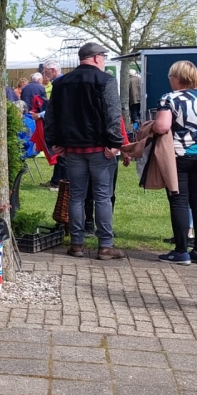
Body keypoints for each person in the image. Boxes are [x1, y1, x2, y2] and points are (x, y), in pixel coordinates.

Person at [46, 42, 124, 259]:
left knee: (76, 197)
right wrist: (115, 143)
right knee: (102, 197)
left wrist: (54, 142)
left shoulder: (61, 83)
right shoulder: (106, 80)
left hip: (72, 148)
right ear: (98, 58)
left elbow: (51, 115)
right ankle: (105, 246)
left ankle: (77, 244)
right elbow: (113, 115)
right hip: (100, 148)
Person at [152, 61, 197, 265]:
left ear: (178, 78)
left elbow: (162, 126)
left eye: (170, 77)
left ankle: (181, 251)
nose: (170, 81)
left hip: (178, 156)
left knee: (179, 201)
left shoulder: (169, 98)